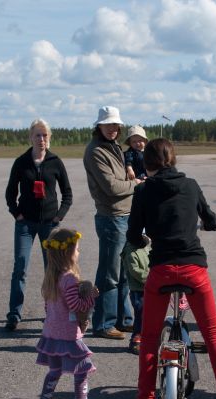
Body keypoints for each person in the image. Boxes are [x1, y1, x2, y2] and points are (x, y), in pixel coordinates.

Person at [127, 138, 216, 399]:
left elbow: (132, 234)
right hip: (194, 269)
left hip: (161, 270)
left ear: (148, 163)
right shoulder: (190, 185)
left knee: (150, 338)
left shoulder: (143, 190)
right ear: (174, 159)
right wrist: (206, 224)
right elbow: (212, 221)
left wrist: (144, 239)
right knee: (214, 335)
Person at [4, 119, 73, 331]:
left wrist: (58, 217)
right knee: (20, 266)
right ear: (30, 137)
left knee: (52, 269)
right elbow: (10, 193)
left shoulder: (55, 162)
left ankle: (52, 313)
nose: (41, 139)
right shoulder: (21, 162)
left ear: (49, 138)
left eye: (45, 135)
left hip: (49, 225)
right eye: (37, 135)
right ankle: (14, 315)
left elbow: (67, 194)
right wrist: (17, 214)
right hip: (26, 224)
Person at [83, 106, 143, 340]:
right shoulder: (96, 151)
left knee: (125, 272)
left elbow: (120, 181)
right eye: (109, 125)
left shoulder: (114, 147)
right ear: (99, 126)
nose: (114, 129)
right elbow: (112, 187)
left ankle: (124, 319)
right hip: (111, 217)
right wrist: (135, 183)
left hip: (125, 215)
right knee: (109, 273)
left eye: (116, 125)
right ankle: (104, 323)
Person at [34, 227, 102, 399]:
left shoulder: (51, 277)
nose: (79, 252)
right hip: (69, 335)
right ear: (67, 253)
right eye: (77, 249)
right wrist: (90, 298)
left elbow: (48, 307)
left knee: (54, 370)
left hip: (51, 333)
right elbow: (76, 305)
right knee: (82, 371)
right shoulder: (69, 278)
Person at [121, 235, 150, 354]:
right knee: (140, 315)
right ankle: (136, 340)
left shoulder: (145, 247)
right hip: (138, 290)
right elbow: (135, 272)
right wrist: (151, 277)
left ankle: (147, 339)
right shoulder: (131, 253)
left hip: (149, 287)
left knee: (148, 315)